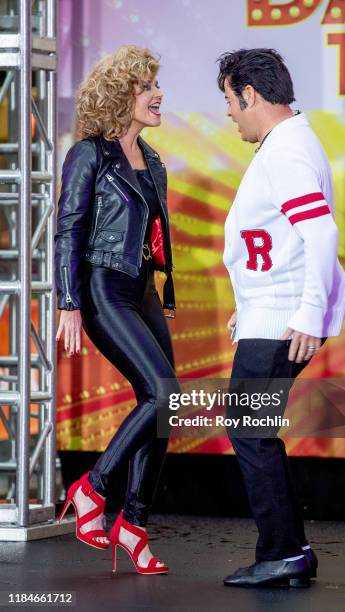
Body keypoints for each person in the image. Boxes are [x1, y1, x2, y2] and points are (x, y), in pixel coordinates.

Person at [217, 49, 345, 588]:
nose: (228, 112)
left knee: (249, 431)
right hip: (271, 313)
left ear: (250, 94)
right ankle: (292, 551)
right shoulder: (288, 143)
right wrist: (248, 307)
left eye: (229, 99)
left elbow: (321, 235)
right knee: (256, 430)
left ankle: (283, 553)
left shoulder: (286, 150)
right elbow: (280, 241)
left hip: (281, 320)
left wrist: (308, 314)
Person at [54, 45, 178, 575]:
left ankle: (133, 524)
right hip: (104, 287)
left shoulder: (151, 160)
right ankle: (94, 487)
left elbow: (152, 236)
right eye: (147, 85)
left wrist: (163, 291)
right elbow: (69, 228)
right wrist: (68, 300)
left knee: (166, 403)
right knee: (163, 391)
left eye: (156, 84)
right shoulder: (90, 154)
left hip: (143, 290)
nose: (158, 94)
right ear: (121, 92)